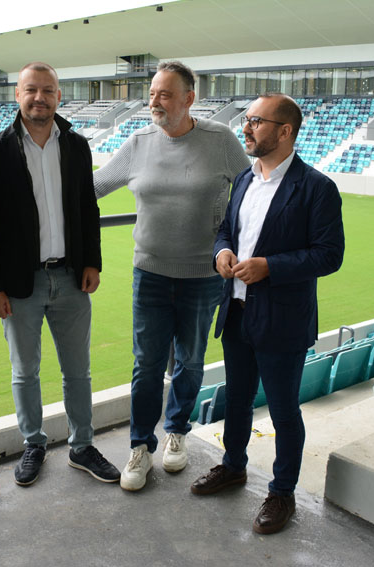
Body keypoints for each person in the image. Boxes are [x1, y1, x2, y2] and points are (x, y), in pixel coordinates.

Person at [190, 93, 344, 535]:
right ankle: (233, 466)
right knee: (237, 400)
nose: (246, 128)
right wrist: (222, 252)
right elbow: (226, 230)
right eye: (247, 119)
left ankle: (282, 493)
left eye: (256, 121)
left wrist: (270, 267)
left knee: (282, 410)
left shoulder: (316, 187)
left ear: (285, 131)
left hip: (282, 320)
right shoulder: (244, 178)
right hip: (237, 312)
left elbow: (329, 255)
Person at [94, 61, 251, 491]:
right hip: (150, 274)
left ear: (189, 99)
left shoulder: (220, 140)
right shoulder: (139, 142)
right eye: (152, 94)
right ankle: (140, 446)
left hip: (204, 275)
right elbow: (95, 186)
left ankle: (177, 431)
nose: (155, 102)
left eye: (165, 94)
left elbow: (251, 191)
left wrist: (233, 246)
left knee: (190, 360)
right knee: (146, 364)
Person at [0, 62, 120, 486]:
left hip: (70, 277)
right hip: (19, 283)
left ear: (59, 96)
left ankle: (82, 446)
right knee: (24, 371)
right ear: (18, 95)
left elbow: (88, 208)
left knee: (78, 371)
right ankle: (34, 443)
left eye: (47, 90)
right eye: (31, 90)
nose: (39, 98)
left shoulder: (76, 145)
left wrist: (92, 262)